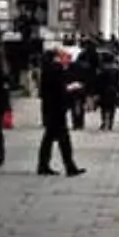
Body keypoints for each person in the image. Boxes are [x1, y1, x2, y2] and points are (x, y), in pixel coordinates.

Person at [38, 48, 85, 177]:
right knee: (63, 139)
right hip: (57, 109)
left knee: (49, 139)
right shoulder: (56, 69)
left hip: (49, 108)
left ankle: (44, 165)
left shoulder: (46, 69)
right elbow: (60, 89)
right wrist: (72, 87)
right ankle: (69, 167)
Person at [95, 51, 119, 130]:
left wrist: (97, 91)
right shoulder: (116, 68)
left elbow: (99, 81)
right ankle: (110, 123)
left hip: (104, 90)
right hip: (113, 90)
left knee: (104, 107)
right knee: (112, 107)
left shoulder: (102, 68)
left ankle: (104, 122)